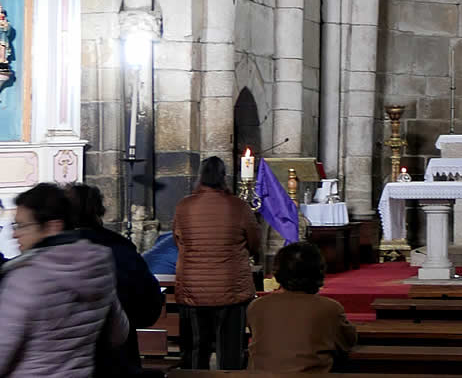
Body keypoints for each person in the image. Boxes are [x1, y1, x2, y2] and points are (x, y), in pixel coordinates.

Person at [0, 182, 129, 378]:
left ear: (53, 226)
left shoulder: (26, 278)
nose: (15, 233)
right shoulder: (99, 267)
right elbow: (119, 334)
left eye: (23, 226)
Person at [173, 155, 261, 371]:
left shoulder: (184, 206)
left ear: (200, 177)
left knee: (195, 349)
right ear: (224, 177)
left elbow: (178, 241)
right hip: (232, 288)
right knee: (231, 350)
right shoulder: (238, 206)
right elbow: (254, 242)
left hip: (193, 290)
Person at [66, 183, 164, 378]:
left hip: (70, 360)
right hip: (118, 357)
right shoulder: (120, 249)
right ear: (98, 211)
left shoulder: (54, 253)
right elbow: (150, 305)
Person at [246, 242, 356, 375]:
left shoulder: (257, 306)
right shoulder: (329, 308)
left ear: (278, 272)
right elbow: (347, 341)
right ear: (319, 272)